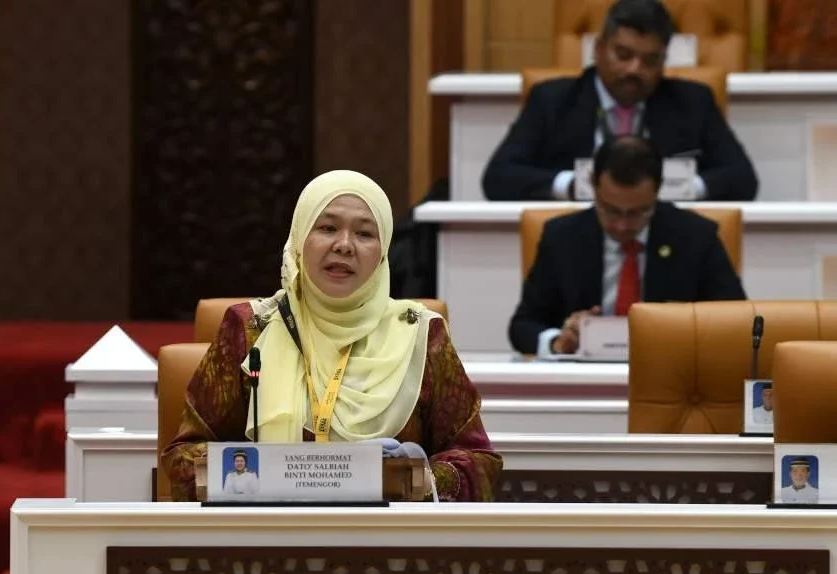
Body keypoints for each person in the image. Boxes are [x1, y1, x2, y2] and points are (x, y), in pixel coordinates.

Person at [161, 170, 501, 502]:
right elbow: (183, 455)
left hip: (389, 543)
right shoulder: (251, 329)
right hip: (270, 537)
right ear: (299, 239)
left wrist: (414, 479)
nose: (344, 245)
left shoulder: (422, 335)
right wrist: (259, 475)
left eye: (365, 234)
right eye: (327, 228)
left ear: (383, 253)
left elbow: (478, 460)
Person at [482, 0, 757, 202]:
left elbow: (743, 179)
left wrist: (683, 188)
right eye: (623, 55)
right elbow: (498, 178)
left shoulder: (693, 101)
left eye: (650, 60)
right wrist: (572, 186)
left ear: (664, 62)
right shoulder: (553, 100)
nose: (634, 70)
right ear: (599, 50)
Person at [509, 136, 746, 356]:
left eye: (637, 212)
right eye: (610, 210)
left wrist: (686, 326)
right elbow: (523, 326)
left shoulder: (696, 236)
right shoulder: (561, 236)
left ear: (658, 189)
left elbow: (735, 321)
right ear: (593, 184)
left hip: (670, 371)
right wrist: (558, 341)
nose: (622, 225)